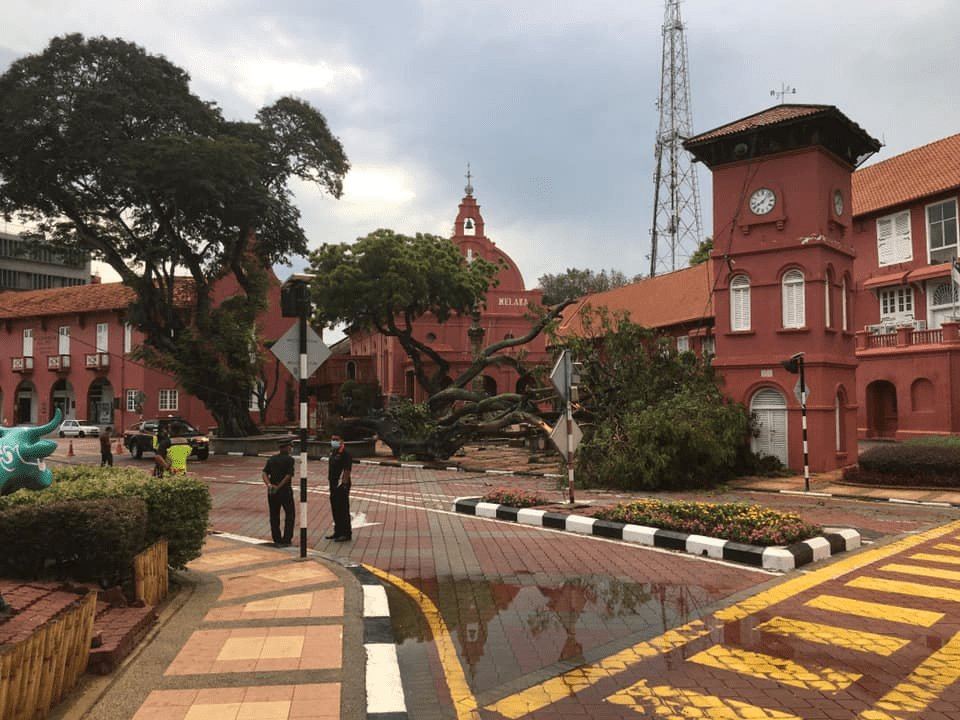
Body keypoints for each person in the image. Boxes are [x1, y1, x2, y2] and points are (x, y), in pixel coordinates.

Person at [262, 438, 296, 546]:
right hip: (285, 491)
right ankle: (286, 539)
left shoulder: (271, 459)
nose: (291, 448)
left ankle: (277, 539)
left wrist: (269, 485)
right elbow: (288, 475)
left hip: (272, 492)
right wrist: (279, 486)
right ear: (286, 447)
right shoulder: (289, 460)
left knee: (274, 515)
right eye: (290, 446)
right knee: (290, 514)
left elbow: (264, 473)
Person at [325, 434, 353, 542]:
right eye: (332, 439)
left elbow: (347, 470)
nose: (334, 441)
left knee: (343, 509)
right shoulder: (333, 452)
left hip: (341, 485)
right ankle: (337, 531)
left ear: (341, 440)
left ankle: (346, 533)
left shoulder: (345, 454)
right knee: (335, 508)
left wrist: (344, 484)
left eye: (336, 440)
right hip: (333, 484)